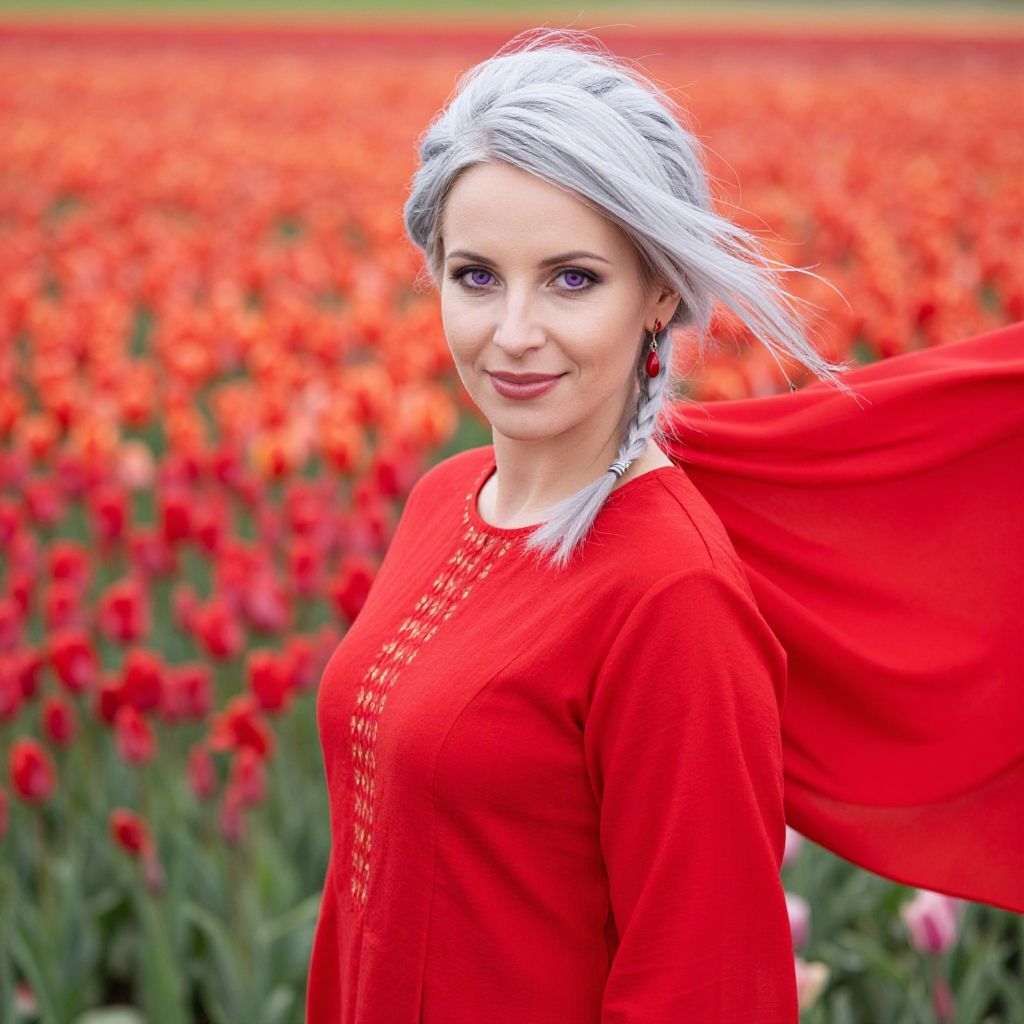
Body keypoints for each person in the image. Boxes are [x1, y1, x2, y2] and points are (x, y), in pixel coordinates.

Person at [305, 27, 1023, 1024]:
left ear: (659, 293)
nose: (512, 332)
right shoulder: (443, 497)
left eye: (571, 279)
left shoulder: (669, 593)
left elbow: (707, 986)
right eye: (475, 275)